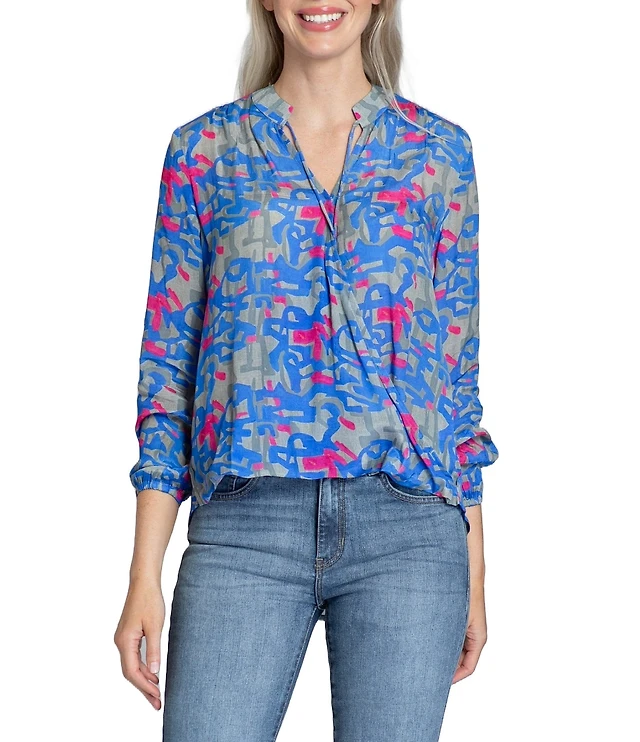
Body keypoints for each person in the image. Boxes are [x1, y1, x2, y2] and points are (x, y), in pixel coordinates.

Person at [114, 1, 499, 740]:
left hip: (410, 529)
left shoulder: (438, 154)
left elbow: (455, 377)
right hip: (244, 525)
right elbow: (168, 375)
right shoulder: (204, 152)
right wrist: (143, 577)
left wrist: (476, 570)